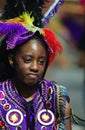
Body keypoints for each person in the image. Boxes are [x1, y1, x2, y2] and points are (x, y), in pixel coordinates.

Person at [0, 0, 72, 130]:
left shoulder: (58, 100)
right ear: (12, 59)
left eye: (41, 61)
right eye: (28, 59)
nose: (35, 67)